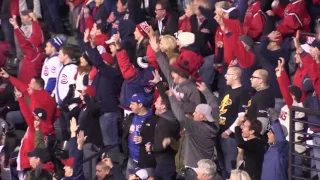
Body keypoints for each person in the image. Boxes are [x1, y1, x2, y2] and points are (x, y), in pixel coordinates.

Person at [168, 82, 219, 179]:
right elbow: (214, 106)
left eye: (196, 112)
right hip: (205, 168)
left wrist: (172, 98)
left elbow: (181, 117)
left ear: (202, 116)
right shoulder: (215, 124)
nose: (193, 114)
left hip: (194, 171)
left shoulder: (196, 127)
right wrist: (205, 91)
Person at [83, 29, 122, 151]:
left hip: (110, 113)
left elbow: (98, 63)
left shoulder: (111, 73)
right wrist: (86, 43)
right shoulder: (99, 75)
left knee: (111, 143)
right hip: (103, 112)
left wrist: (92, 46)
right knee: (107, 143)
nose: (98, 63)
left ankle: (114, 165)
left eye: (102, 61)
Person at [145, 71, 180, 180]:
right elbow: (166, 100)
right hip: (166, 161)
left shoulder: (164, 124)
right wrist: (158, 84)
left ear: (163, 107)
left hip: (165, 163)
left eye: (157, 102)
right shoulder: (170, 116)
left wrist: (151, 147)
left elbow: (162, 145)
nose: (154, 104)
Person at [218, 67, 250, 179]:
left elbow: (241, 117)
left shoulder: (243, 93)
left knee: (231, 169)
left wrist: (228, 131)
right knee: (222, 167)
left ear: (235, 76)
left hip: (231, 137)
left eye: (228, 74)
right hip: (220, 132)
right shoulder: (228, 90)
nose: (225, 76)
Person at [122, 93, 158, 177]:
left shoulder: (153, 119)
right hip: (132, 157)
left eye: (133, 104)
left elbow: (158, 138)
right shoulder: (131, 117)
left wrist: (144, 140)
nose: (130, 106)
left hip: (146, 161)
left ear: (140, 105)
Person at [9, 12, 45, 84]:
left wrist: (15, 26)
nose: (29, 38)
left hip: (28, 84)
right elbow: (37, 34)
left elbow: (23, 41)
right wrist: (35, 20)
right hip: (32, 81)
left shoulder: (32, 52)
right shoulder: (39, 51)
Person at [261, 108, 289, 180]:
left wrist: (275, 121)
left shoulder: (283, 148)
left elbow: (280, 139)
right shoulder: (270, 148)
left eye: (270, 132)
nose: (267, 134)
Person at [246, 69, 275, 134]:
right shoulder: (259, 93)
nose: (250, 79)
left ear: (260, 80)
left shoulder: (264, 96)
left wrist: (254, 136)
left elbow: (262, 123)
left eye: (253, 77)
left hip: (255, 137)